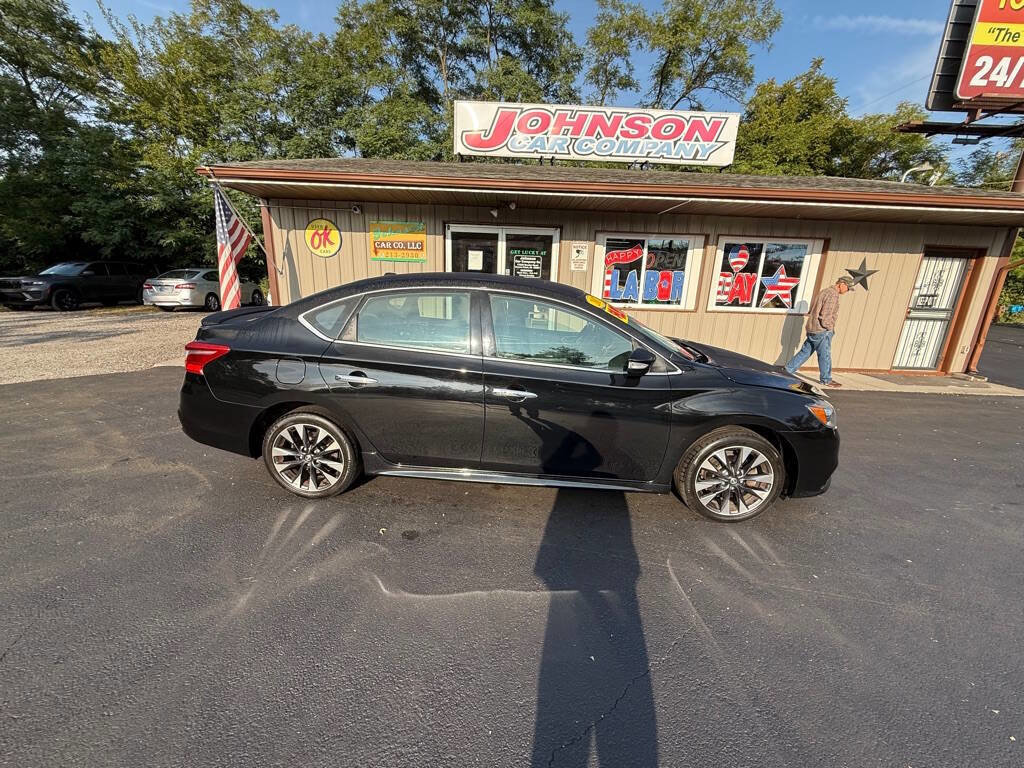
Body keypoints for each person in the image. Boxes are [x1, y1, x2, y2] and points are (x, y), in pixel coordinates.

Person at [784, 276, 853, 388]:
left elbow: (813, 310)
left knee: (805, 352)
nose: (848, 290)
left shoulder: (824, 291)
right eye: (848, 288)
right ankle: (826, 379)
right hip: (822, 330)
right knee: (824, 355)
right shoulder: (832, 295)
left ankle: (787, 371)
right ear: (842, 284)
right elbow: (826, 315)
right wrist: (829, 328)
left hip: (813, 328)